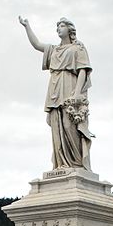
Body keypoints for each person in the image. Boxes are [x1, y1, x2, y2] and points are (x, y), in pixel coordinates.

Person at [18, 15, 93, 170]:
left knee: (69, 124)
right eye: (57, 26)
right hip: (54, 89)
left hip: (70, 89)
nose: (58, 28)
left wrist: (77, 94)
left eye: (62, 26)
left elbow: (82, 71)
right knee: (56, 127)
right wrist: (27, 26)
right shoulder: (54, 50)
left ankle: (76, 163)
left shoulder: (77, 48)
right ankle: (61, 164)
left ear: (70, 29)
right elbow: (37, 44)